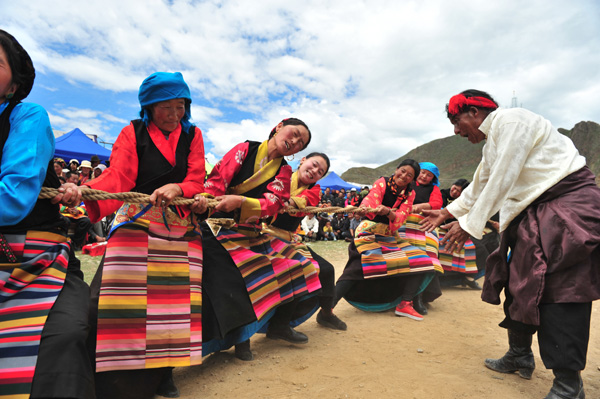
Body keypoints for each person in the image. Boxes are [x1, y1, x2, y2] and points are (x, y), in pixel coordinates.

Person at [421, 89, 600, 399]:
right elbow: (481, 184)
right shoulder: (493, 143)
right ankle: (519, 355)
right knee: (519, 282)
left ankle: (568, 385)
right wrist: (449, 212)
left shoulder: (513, 121)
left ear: (475, 112)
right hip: (536, 213)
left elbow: (503, 177)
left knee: (562, 290)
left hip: (568, 209)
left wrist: (468, 225)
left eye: (456, 121)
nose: (455, 131)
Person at [84, 71, 207, 399]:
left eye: (180, 105)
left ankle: (165, 372)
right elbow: (119, 176)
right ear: (149, 107)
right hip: (136, 220)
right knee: (113, 299)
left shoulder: (193, 135)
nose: (174, 114)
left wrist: (178, 186)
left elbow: (198, 180)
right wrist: (85, 193)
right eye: (165, 106)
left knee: (173, 305)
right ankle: (110, 370)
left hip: (179, 226)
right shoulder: (132, 132)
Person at [0, 29, 94, 399]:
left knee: (64, 335)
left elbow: (14, 198)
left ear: (13, 83)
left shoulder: (28, 116)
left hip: (36, 259)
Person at [194, 118, 319, 361]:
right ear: (279, 127)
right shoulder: (245, 149)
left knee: (294, 267)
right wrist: (205, 202)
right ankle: (238, 340)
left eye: (300, 143)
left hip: (249, 232)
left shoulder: (283, 170)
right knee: (233, 280)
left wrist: (241, 203)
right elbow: (218, 180)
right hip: (216, 225)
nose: (294, 142)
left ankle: (264, 330)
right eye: (294, 134)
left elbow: (273, 204)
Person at [334, 160, 442, 321]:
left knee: (423, 261)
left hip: (391, 235)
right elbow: (371, 200)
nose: (404, 176)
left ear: (412, 179)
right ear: (397, 169)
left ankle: (405, 303)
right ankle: (327, 309)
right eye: (403, 171)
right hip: (369, 232)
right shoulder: (382, 182)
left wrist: (389, 213)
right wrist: (364, 208)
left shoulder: (410, 193)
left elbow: (400, 219)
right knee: (356, 269)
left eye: (409, 175)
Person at [267, 152, 347, 332]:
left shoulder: (315, 190)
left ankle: (326, 313)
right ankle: (277, 326)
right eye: (314, 164)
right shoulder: (281, 174)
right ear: (302, 160)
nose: (315, 171)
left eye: (320, 171)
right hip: (262, 233)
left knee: (327, 269)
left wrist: (286, 202)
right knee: (296, 269)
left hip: (287, 238)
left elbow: (308, 200)